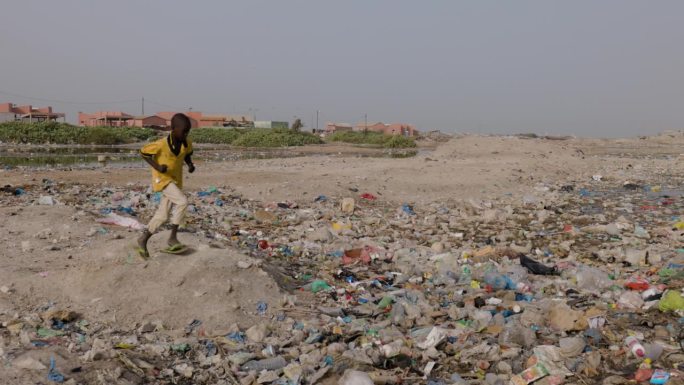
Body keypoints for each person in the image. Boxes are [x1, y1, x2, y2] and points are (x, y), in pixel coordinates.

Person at [136, 113, 195, 259]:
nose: (185, 134)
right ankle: (172, 238)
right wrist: (157, 166)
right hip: (162, 180)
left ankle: (143, 239)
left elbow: (187, 154)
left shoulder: (186, 142)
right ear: (172, 128)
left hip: (175, 180)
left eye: (187, 131)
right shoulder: (161, 144)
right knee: (182, 202)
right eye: (183, 131)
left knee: (162, 216)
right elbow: (143, 153)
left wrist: (190, 164)